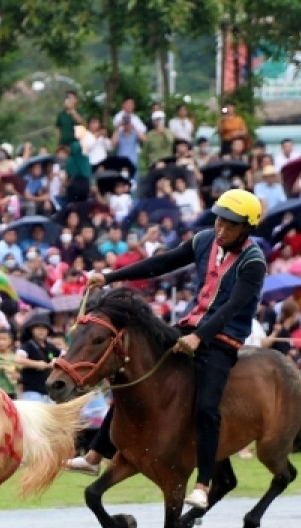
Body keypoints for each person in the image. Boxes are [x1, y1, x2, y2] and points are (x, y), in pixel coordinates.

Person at [70, 190, 267, 511]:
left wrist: (200, 337)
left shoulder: (254, 262)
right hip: (188, 328)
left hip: (223, 339)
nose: (221, 229)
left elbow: (231, 308)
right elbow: (159, 264)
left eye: (230, 225)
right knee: (130, 370)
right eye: (219, 220)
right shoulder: (205, 240)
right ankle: (94, 455)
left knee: (206, 406)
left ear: (247, 228)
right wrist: (109, 277)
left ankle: (203, 483)